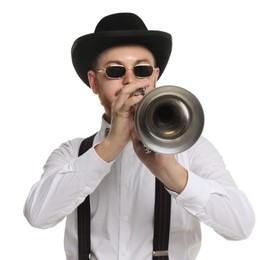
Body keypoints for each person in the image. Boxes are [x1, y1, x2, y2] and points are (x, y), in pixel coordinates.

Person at [24, 12, 255, 260]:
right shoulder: (72, 152)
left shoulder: (192, 149)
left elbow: (241, 226)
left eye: (141, 69)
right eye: (115, 71)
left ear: (154, 78)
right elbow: (38, 216)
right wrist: (110, 147)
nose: (130, 81)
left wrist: (169, 171)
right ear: (94, 82)